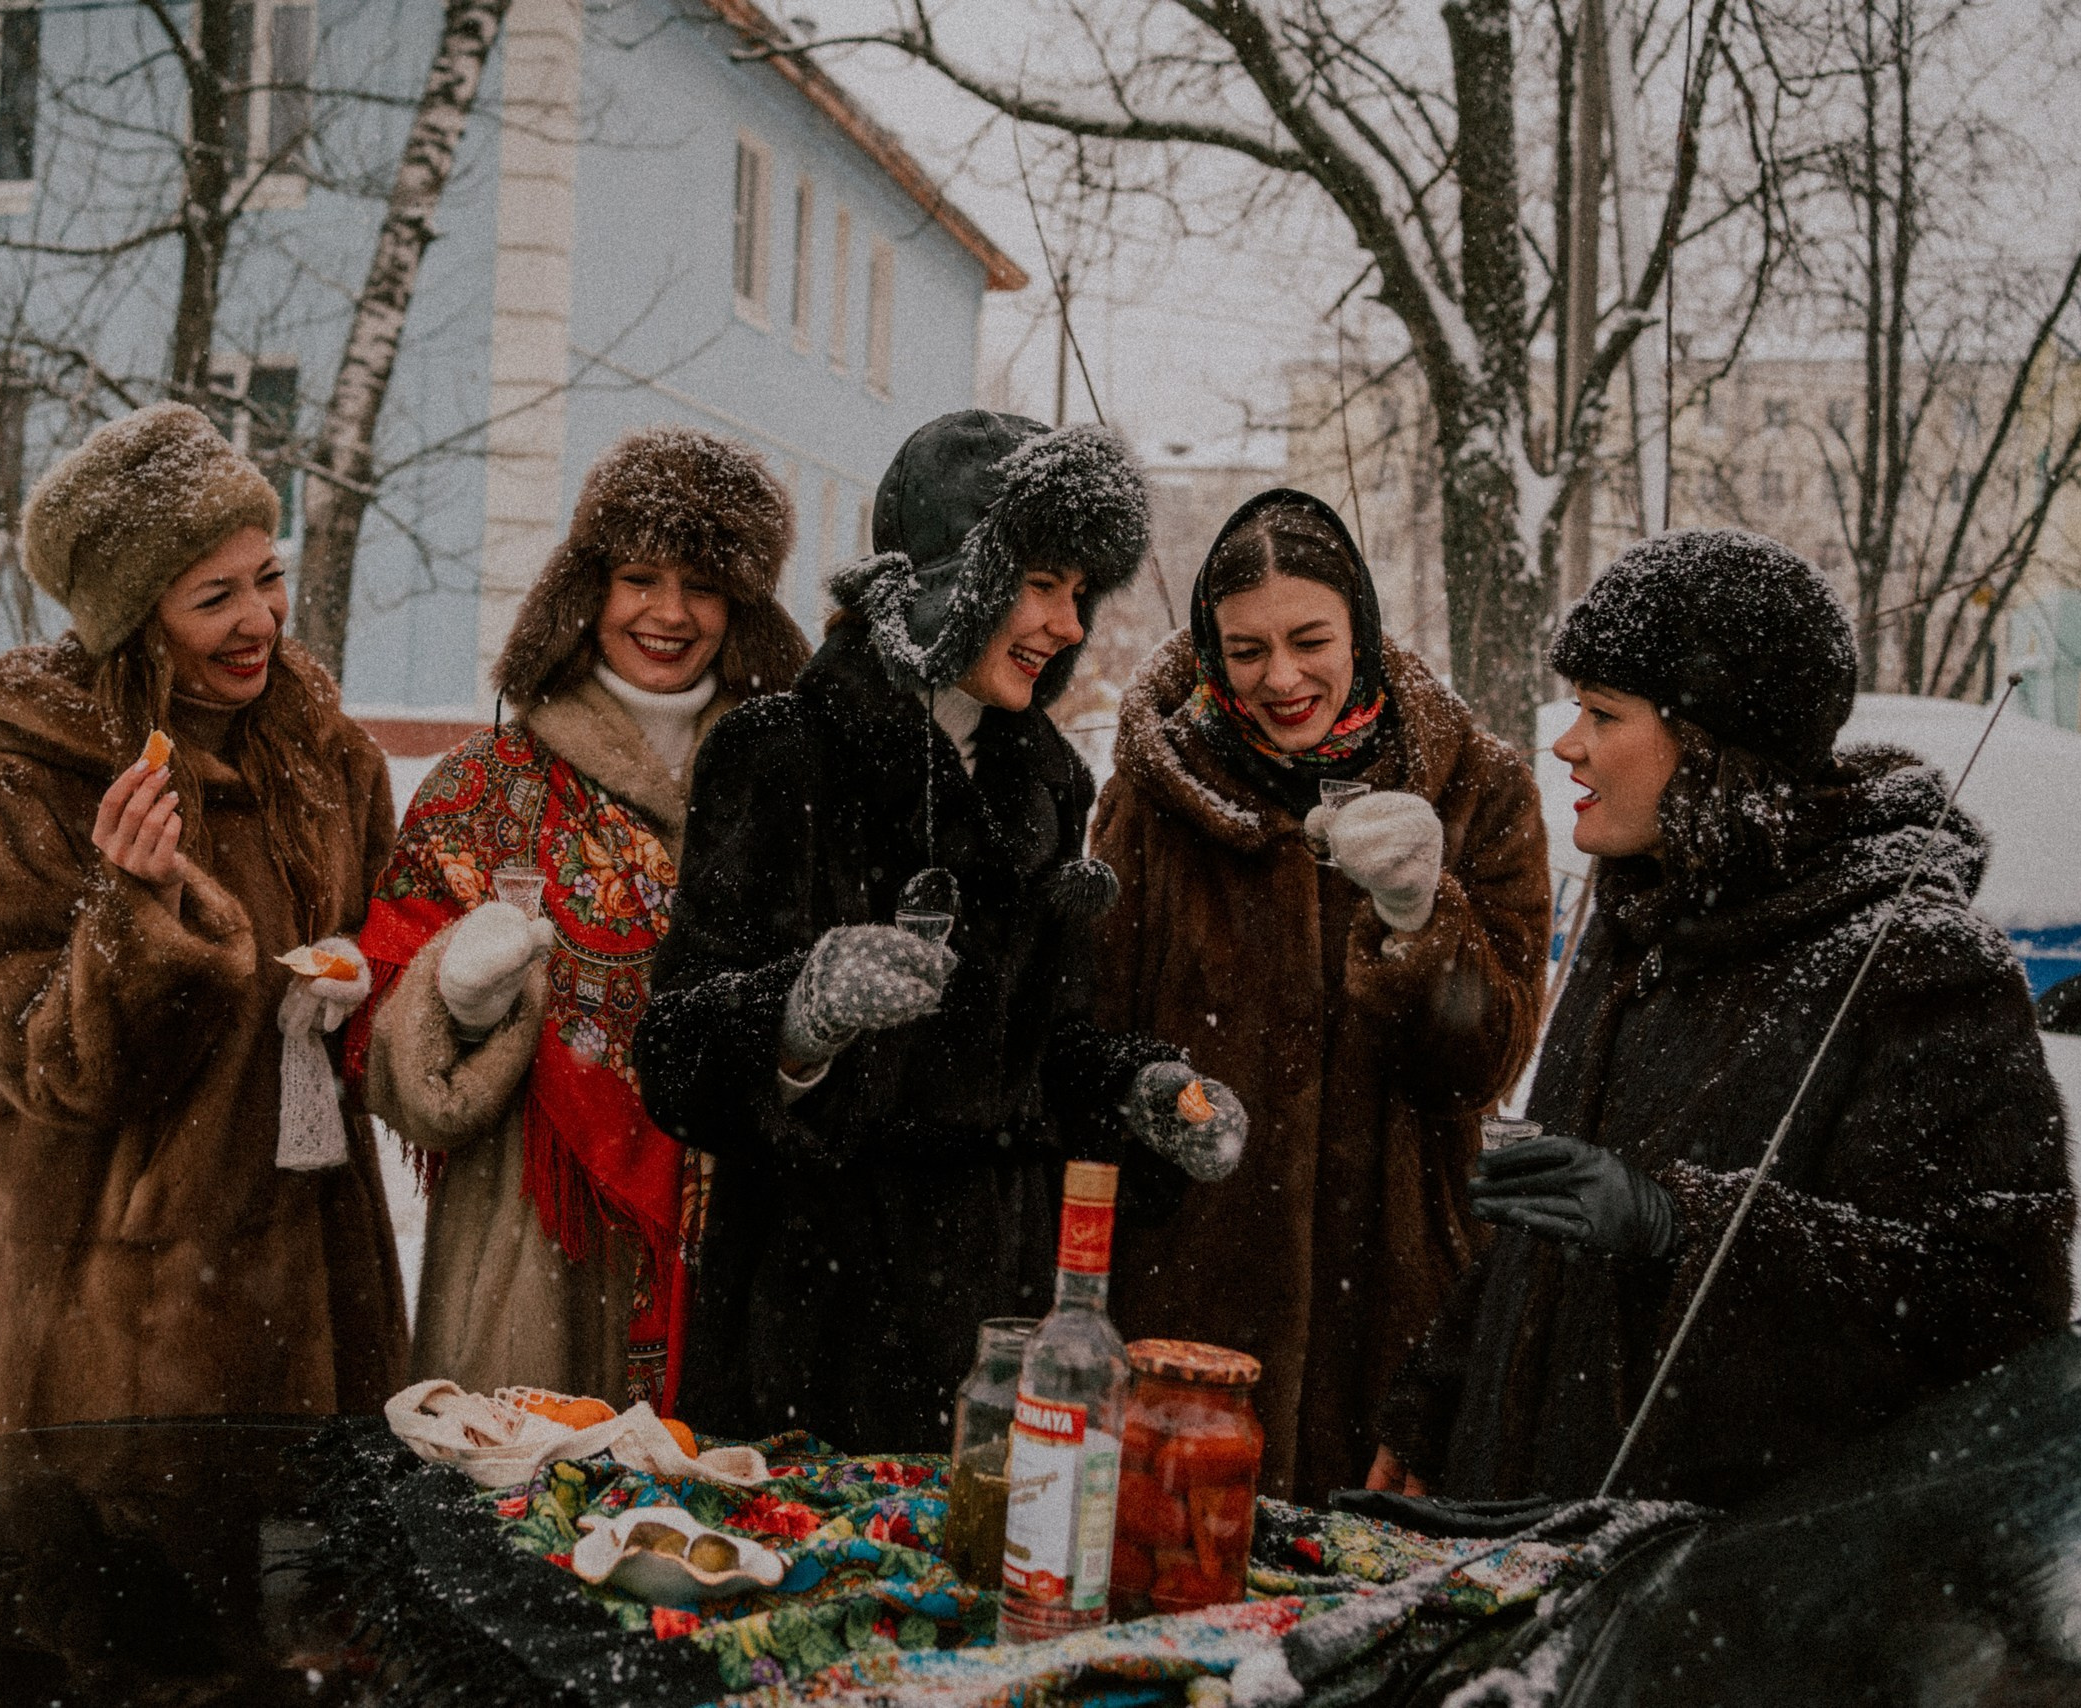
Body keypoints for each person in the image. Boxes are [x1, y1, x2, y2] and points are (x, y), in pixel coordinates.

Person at [1371, 530, 2076, 1508]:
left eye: (1602, 712)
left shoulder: (1917, 960)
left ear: (1709, 744)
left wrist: (1687, 1230)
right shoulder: (1640, 912)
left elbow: (1994, 1322)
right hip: (1531, 1546)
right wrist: (1442, 1400)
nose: (1566, 742)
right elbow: (1552, 1223)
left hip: (1718, 1604)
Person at [637, 410, 1250, 1453]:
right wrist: (799, 1013)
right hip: (804, 1316)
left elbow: (1047, 1049)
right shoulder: (780, 751)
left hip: (990, 1327)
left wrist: (1136, 1087)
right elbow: (675, 1051)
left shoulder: (1051, 781)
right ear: (950, 577)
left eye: (1080, 594)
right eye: (1043, 585)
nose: (1068, 626)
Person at [1089, 489, 1553, 1502]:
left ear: (1364, 630)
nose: (1281, 678)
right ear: (1212, 651)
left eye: (1310, 639)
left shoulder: (1476, 786)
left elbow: (1491, 1061)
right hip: (1188, 1306)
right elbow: (1096, 1047)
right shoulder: (1154, 800)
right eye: (1245, 649)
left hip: (1395, 1309)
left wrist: (1421, 922)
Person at [0, 402, 407, 1436]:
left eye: (268, 576)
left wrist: (370, 973)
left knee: (321, 1581)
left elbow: (398, 969)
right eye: (215, 596)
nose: (261, 620)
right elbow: (51, 1074)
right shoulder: (37, 790)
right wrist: (138, 919)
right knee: (138, 1592)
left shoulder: (333, 762)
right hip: (121, 1326)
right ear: (136, 620)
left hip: (325, 1294)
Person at [347, 427, 811, 1411]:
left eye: (705, 583)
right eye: (641, 576)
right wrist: (456, 999)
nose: (669, 613)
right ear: (587, 588)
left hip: (740, 1251)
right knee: (518, 1540)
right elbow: (391, 1066)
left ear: (745, 606)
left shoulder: (798, 793)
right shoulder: (484, 786)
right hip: (529, 1262)